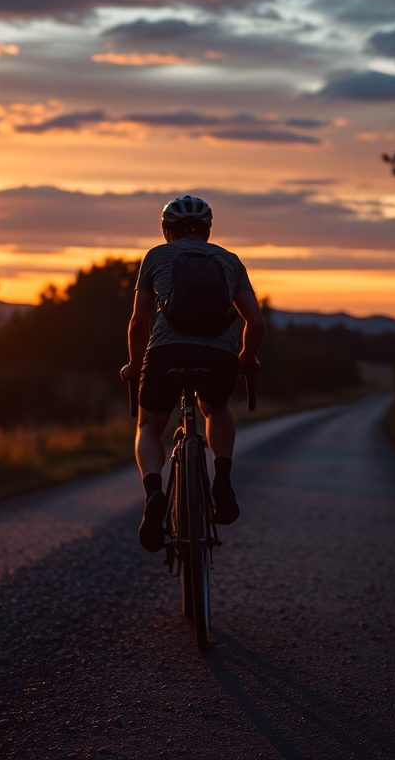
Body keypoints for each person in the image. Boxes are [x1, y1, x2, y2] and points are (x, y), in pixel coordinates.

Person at [119, 195, 265, 553]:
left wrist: (135, 365)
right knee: (216, 409)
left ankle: (154, 493)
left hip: (166, 353)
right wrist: (247, 357)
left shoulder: (155, 256)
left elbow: (139, 322)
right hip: (218, 356)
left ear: (166, 230)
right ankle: (223, 480)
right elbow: (256, 322)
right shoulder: (229, 261)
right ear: (208, 229)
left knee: (150, 426)